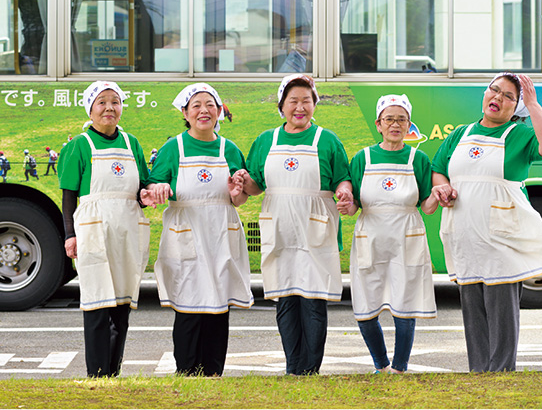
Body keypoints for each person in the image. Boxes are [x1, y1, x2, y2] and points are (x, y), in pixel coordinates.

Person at [431, 72, 542, 372]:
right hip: (465, 233)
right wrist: (442, 187)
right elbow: (438, 169)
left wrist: (533, 104)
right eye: (495, 90)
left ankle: (501, 371)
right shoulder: (460, 134)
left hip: (503, 237)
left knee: (501, 309)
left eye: (508, 96)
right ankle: (479, 370)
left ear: (516, 108)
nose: (498, 98)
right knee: (472, 307)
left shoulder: (518, 134)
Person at [239, 73, 352, 376]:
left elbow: (342, 178)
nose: (300, 107)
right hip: (280, 228)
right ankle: (293, 366)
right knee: (285, 298)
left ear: (315, 104)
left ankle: (310, 369)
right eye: (293, 101)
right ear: (282, 106)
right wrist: (242, 181)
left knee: (314, 299)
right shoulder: (266, 140)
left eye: (306, 101)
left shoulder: (327, 140)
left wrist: (344, 191)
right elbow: (255, 185)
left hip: (315, 227)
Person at [145, 83, 254, 377]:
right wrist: (159, 187)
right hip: (186, 232)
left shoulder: (229, 149)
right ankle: (186, 370)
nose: (203, 111)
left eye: (210, 105)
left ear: (219, 112)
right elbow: (154, 184)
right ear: (185, 113)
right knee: (188, 301)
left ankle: (213, 372)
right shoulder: (173, 148)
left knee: (218, 301)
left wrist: (237, 193)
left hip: (221, 233)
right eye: (196, 105)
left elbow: (240, 198)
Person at [337, 94, 441, 374]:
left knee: (404, 304)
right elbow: (354, 205)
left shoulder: (418, 159)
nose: (395, 125)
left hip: (407, 236)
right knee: (365, 305)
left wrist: (437, 195)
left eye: (401, 120)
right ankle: (380, 364)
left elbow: (426, 206)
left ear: (409, 125)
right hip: (370, 237)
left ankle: (400, 367)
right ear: (379, 124)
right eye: (389, 119)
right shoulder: (363, 158)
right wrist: (347, 205)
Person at [58, 81, 154, 378]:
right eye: (101, 102)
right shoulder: (79, 145)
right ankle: (97, 372)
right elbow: (68, 195)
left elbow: (142, 186)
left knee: (123, 302)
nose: (109, 108)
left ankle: (114, 371)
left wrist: (146, 195)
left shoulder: (131, 143)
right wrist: (69, 235)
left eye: (115, 101)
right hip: (93, 229)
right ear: (90, 110)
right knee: (97, 300)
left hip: (127, 228)